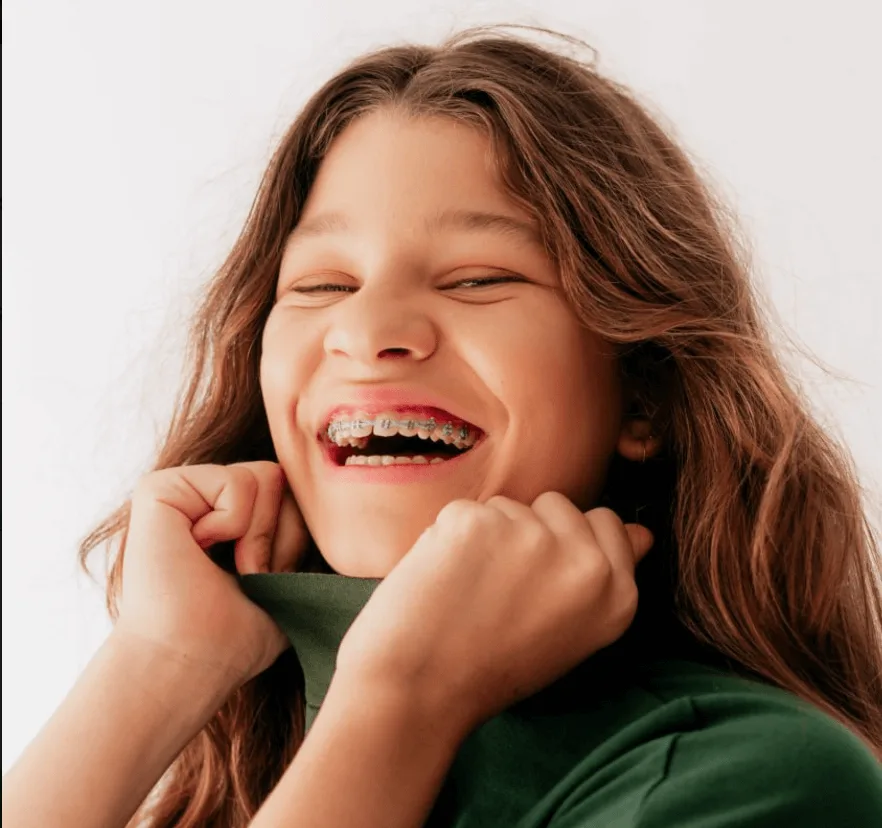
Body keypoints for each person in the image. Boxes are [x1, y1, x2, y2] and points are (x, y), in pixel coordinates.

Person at [3, 25, 882, 828]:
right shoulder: (253, 769)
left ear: (646, 393)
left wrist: (403, 695)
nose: (367, 331)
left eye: (477, 279)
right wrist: (162, 660)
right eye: (321, 285)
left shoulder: (759, 781)